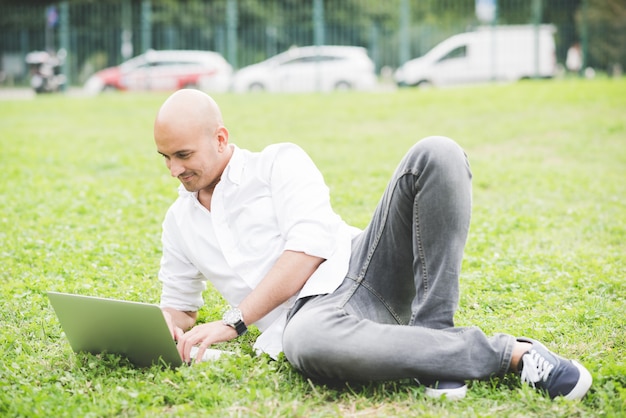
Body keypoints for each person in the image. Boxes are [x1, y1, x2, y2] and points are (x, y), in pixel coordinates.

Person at [153, 89, 592, 401]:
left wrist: (234, 322)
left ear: (221, 139)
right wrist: (164, 329)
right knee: (306, 342)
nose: (174, 169)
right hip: (312, 321)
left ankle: (465, 340)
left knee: (436, 152)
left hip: (364, 267)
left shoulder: (278, 163)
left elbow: (307, 251)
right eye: (166, 158)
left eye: (184, 155)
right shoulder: (179, 222)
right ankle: (457, 358)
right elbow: (179, 306)